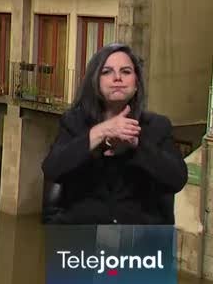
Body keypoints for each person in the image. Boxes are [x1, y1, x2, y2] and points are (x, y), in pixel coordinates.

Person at [41, 43, 187, 225]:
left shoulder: (157, 126)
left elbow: (177, 179)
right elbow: (52, 169)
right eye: (107, 72)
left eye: (126, 72)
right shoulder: (74, 122)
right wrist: (100, 132)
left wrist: (137, 145)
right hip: (82, 239)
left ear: (136, 84)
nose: (117, 78)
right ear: (96, 82)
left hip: (139, 242)